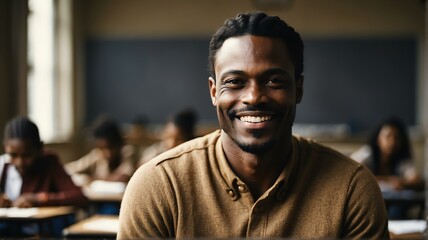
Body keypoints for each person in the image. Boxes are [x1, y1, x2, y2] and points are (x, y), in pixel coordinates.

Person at [118, 12, 389, 239]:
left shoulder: (351, 189)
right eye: (235, 81)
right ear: (214, 92)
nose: (254, 97)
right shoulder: (159, 186)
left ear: (299, 89)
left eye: (274, 81)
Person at [0, 116, 87, 236]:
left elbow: (78, 197)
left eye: (27, 155)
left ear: (40, 148)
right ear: (5, 147)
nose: (20, 162)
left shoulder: (49, 162)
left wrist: (38, 198)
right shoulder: (3, 165)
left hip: (41, 232)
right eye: (13, 155)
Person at [351, 117, 424, 219]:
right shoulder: (367, 153)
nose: (392, 141)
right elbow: (351, 173)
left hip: (394, 205)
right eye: (388, 136)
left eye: (397, 137)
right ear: (378, 139)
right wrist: (389, 180)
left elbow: (417, 180)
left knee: (397, 210)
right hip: (368, 202)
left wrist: (402, 183)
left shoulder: (402, 158)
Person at [65, 116, 136, 185]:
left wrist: (92, 179)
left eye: (111, 147)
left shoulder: (127, 152)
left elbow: (123, 176)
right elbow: (70, 168)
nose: (107, 153)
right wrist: (81, 178)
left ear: (118, 144)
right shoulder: (97, 154)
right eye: (102, 148)